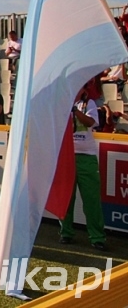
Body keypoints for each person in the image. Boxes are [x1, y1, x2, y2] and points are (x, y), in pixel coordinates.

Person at [60, 84, 107, 250]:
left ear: (84, 90)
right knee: (66, 198)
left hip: (86, 157)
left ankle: (97, 237)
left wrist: (75, 111)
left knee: (91, 200)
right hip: (67, 156)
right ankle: (66, 232)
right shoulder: (64, 104)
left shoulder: (90, 104)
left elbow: (89, 122)